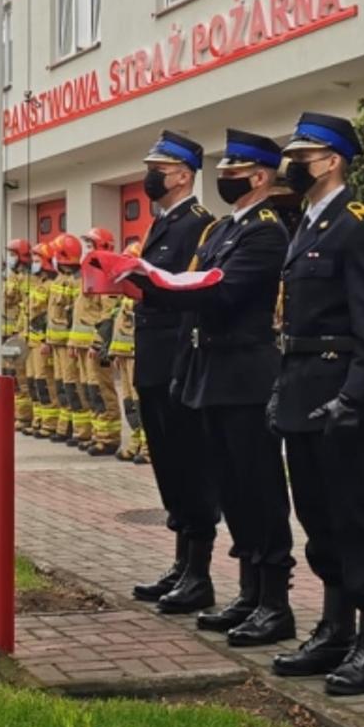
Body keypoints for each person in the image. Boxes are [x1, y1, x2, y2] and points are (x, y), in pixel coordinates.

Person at [134, 129, 295, 646]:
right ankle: (249, 594)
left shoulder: (266, 231)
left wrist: (151, 282)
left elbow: (220, 291)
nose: (224, 175)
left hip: (245, 376)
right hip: (212, 375)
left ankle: (273, 600)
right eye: (223, 165)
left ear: (259, 175)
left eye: (235, 167)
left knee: (258, 489)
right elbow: (197, 284)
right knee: (233, 488)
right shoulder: (224, 229)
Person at [266, 112, 364, 696]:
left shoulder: (357, 225)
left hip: (341, 392)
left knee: (355, 519)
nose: (291, 164)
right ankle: (334, 628)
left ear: (332, 160)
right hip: (301, 389)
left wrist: (355, 395)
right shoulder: (307, 225)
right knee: (318, 521)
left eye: (303, 154)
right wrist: (281, 389)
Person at [128, 130, 222, 615]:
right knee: (167, 464)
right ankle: (181, 564)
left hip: (176, 362)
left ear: (183, 175)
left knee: (189, 465)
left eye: (158, 170)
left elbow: (186, 291)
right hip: (153, 360)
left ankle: (198, 573)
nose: (151, 178)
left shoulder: (199, 225)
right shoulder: (163, 222)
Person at [71, 227, 123, 457]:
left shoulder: (107, 276)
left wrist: (97, 343)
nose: (87, 250)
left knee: (102, 391)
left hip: (95, 346)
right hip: (82, 346)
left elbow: (107, 315)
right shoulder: (90, 274)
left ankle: (109, 438)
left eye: (91, 245)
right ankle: (97, 433)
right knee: (91, 390)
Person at [109, 239, 148, 465]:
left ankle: (148, 446)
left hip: (136, 355)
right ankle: (134, 442)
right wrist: (113, 350)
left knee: (140, 401)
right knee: (129, 402)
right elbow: (117, 325)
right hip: (123, 355)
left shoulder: (144, 293)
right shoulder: (126, 292)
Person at [44, 233, 83, 444]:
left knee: (72, 386)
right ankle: (64, 426)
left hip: (69, 343)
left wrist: (73, 343)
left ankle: (77, 429)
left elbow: (75, 316)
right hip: (56, 342)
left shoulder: (77, 282)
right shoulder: (59, 280)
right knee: (60, 385)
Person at [25, 242, 57, 437]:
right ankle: (39, 420)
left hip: (42, 342)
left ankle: (50, 423)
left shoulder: (51, 285)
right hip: (32, 341)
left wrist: (46, 340)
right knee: (34, 383)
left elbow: (50, 315)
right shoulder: (36, 283)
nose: (34, 264)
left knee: (46, 383)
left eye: (37, 261)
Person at [2, 239, 34, 431]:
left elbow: (13, 299)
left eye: (13, 254)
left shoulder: (26, 279)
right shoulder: (15, 277)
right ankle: (18, 415)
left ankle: (25, 417)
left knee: (24, 378)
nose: (11, 258)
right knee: (13, 377)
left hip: (23, 333)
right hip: (14, 331)